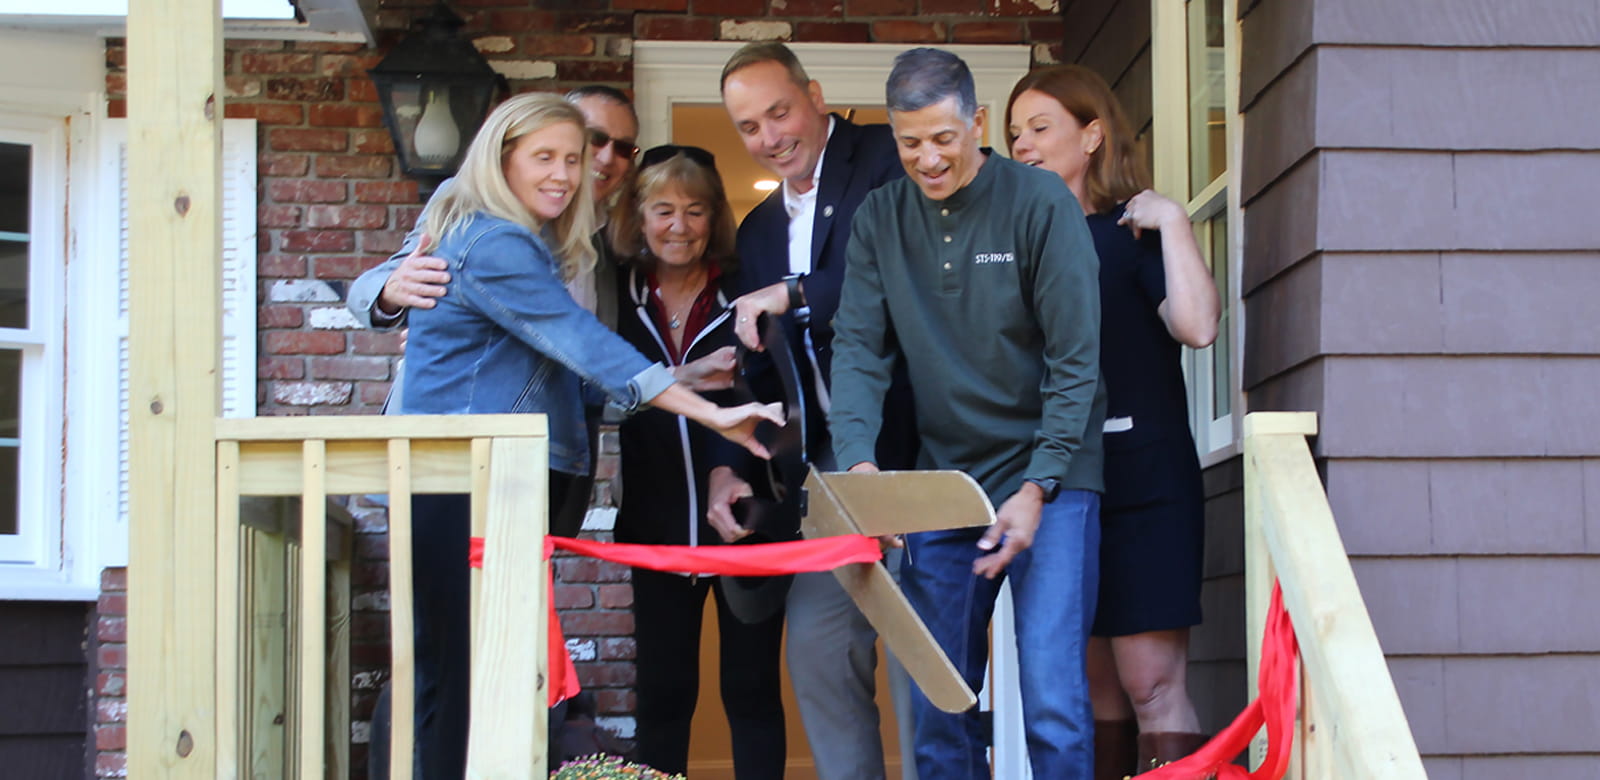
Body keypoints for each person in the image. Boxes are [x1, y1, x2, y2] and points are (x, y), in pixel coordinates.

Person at [395, 93, 781, 780]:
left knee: (492, 676)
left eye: (572, 159)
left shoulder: (536, 242)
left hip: (506, 484)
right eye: (546, 157)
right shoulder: (496, 239)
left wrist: (685, 380)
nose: (567, 173)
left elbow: (577, 380)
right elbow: (582, 343)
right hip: (465, 480)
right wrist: (709, 410)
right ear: (501, 157)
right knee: (458, 679)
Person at [829, 49, 1107, 779]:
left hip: (1053, 476)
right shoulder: (879, 219)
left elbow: (1076, 362)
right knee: (939, 696)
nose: (927, 158)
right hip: (944, 483)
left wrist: (1037, 486)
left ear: (978, 123)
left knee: (1051, 700)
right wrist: (862, 474)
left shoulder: (1040, 203)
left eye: (944, 138)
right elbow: (858, 351)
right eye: (909, 141)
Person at [712, 41, 922, 780]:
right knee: (819, 650)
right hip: (825, 472)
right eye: (748, 125)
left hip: (917, 445)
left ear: (815, 94)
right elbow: (760, 368)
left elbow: (909, 267)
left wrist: (795, 294)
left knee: (921, 657)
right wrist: (731, 465)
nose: (769, 136)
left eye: (779, 111)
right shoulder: (760, 229)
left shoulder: (887, 157)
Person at [1006, 65, 1220, 778]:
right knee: (1090, 693)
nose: (1024, 146)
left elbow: (1197, 326)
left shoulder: (1131, 232)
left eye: (1042, 128)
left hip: (1144, 486)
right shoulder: (1011, 247)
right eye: (1015, 135)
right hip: (1060, 488)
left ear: (1092, 135)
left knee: (1151, 684)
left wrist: (1175, 222)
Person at [608, 144, 787, 778]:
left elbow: (767, 390)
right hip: (654, 528)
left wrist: (730, 470)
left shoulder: (746, 294)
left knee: (751, 691)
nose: (679, 227)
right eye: (663, 210)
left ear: (715, 217)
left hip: (746, 520)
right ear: (639, 215)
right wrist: (680, 375)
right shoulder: (615, 293)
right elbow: (604, 391)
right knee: (663, 696)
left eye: (695, 210)